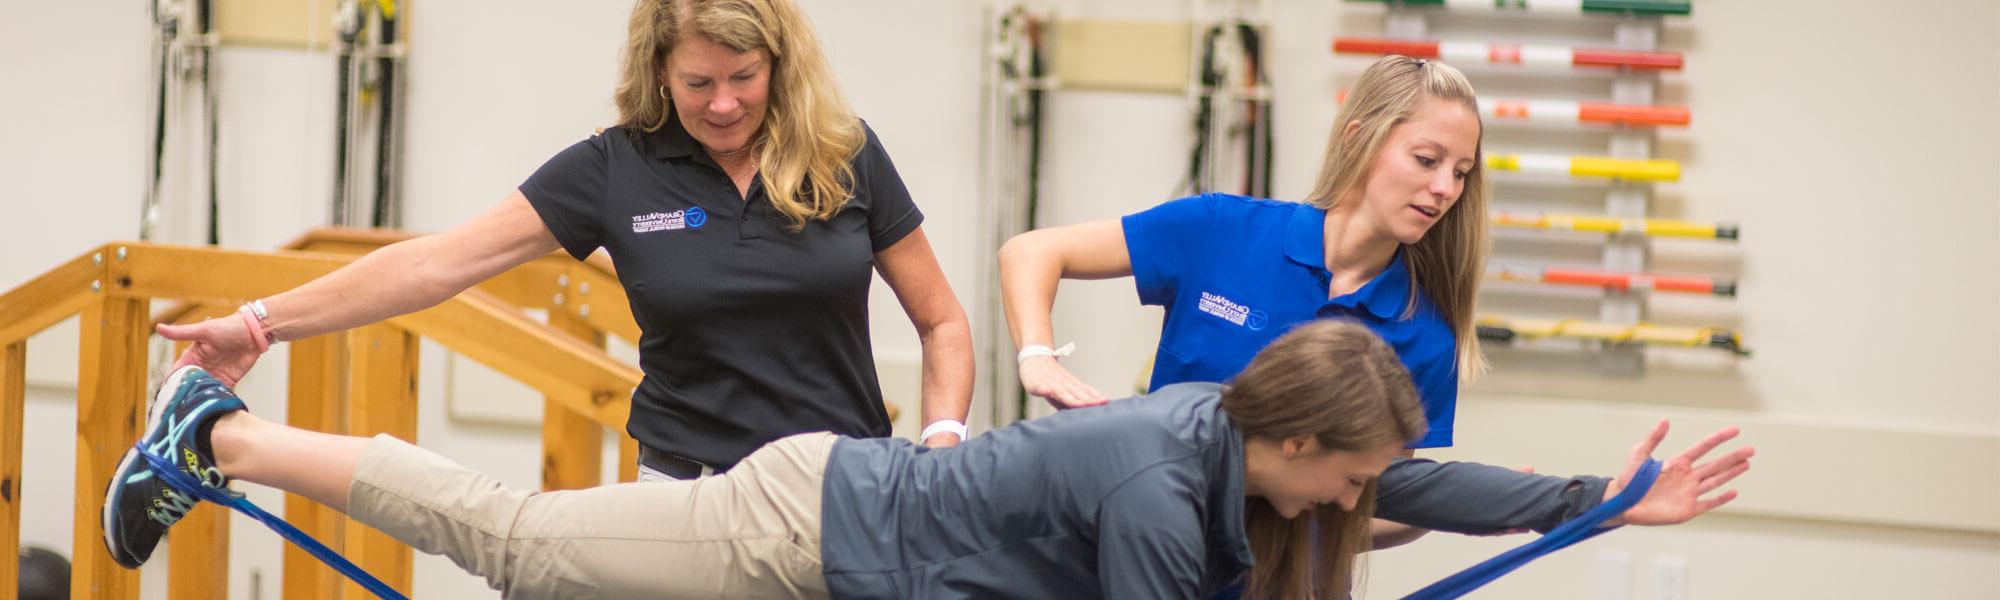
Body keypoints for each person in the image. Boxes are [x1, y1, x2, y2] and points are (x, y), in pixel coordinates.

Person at [105, 320, 1752, 599]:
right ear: (1298, 443)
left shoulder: (1244, 450)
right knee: (518, 543)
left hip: (850, 562)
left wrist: (1600, 504)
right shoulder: (1150, 494)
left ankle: (233, 432)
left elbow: (1415, 489)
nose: (1359, 505)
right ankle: (225, 429)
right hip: (796, 531)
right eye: (1351, 478)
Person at [155, 0, 974, 480]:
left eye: (743, 78)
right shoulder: (614, 170)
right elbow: (437, 262)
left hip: (842, 486)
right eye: (698, 83)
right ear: (660, 73)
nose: (722, 103)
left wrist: (942, 445)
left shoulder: (845, 152)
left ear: (779, 66)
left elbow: (941, 321)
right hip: (684, 494)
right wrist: (260, 323)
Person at [1002, 54, 1486, 554]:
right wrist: (1037, 355)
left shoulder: (1425, 335)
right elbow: (1032, 251)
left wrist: (1454, 510)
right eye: (1427, 160)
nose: (1445, 188)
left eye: (1461, 172)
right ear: (1358, 138)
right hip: (1153, 557)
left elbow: (1373, 508)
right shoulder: (1221, 229)